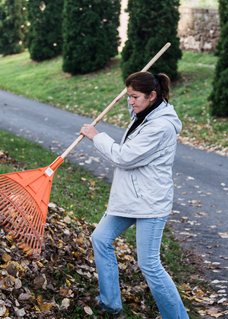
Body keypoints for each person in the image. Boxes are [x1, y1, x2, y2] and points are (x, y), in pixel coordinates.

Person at [79, 71, 188, 318]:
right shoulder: (146, 113)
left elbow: (124, 157)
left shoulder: (160, 126)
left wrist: (96, 136)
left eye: (135, 97)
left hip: (149, 202)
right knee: (100, 239)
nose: (131, 102)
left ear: (152, 95)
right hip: (130, 200)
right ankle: (110, 303)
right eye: (128, 97)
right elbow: (134, 112)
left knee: (149, 264)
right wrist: (128, 91)